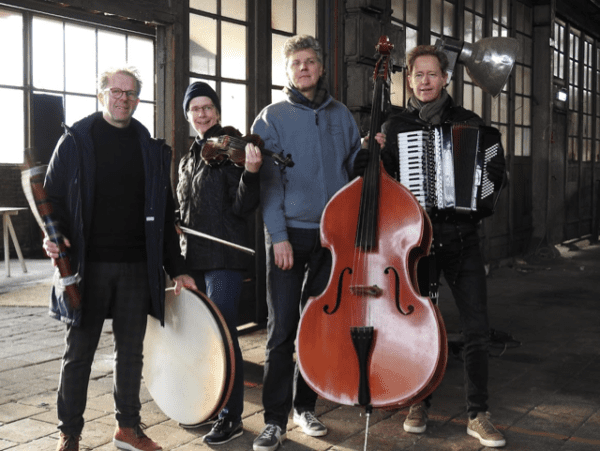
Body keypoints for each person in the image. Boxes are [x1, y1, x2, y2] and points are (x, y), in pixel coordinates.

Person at [43, 67, 197, 451]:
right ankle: (70, 433)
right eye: (115, 91)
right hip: (86, 266)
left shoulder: (150, 148)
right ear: (101, 95)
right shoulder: (75, 141)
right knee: (79, 353)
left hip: (135, 267)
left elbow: (164, 217)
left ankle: (127, 428)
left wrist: (177, 269)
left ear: (138, 99)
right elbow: (51, 200)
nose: (122, 98)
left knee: (130, 352)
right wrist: (54, 238)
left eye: (130, 93)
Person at [250, 35, 384, 451]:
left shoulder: (341, 114)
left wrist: (364, 155)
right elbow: (269, 187)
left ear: (321, 68)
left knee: (318, 327)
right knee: (281, 332)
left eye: (310, 62)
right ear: (287, 71)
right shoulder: (270, 118)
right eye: (296, 63)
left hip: (333, 238)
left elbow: (348, 171)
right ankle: (273, 420)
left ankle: (303, 406)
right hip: (291, 235)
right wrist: (279, 237)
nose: (304, 68)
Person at [374, 45, 506, 448]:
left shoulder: (472, 125)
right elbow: (384, 186)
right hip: (418, 245)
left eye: (433, 74)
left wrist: (486, 185)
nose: (426, 81)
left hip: (463, 240)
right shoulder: (395, 126)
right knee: (420, 327)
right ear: (409, 80)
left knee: (476, 328)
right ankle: (420, 402)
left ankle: (478, 413)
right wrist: (374, 155)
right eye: (419, 75)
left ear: (446, 78)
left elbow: (494, 172)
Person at [176, 81, 262, 444]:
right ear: (188, 116)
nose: (202, 114)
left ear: (217, 112)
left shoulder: (230, 152)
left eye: (207, 107)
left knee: (223, 337)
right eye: (195, 109)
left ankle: (232, 417)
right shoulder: (186, 160)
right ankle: (208, 406)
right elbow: (183, 207)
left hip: (225, 257)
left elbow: (243, 206)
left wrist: (252, 174)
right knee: (198, 336)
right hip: (192, 258)